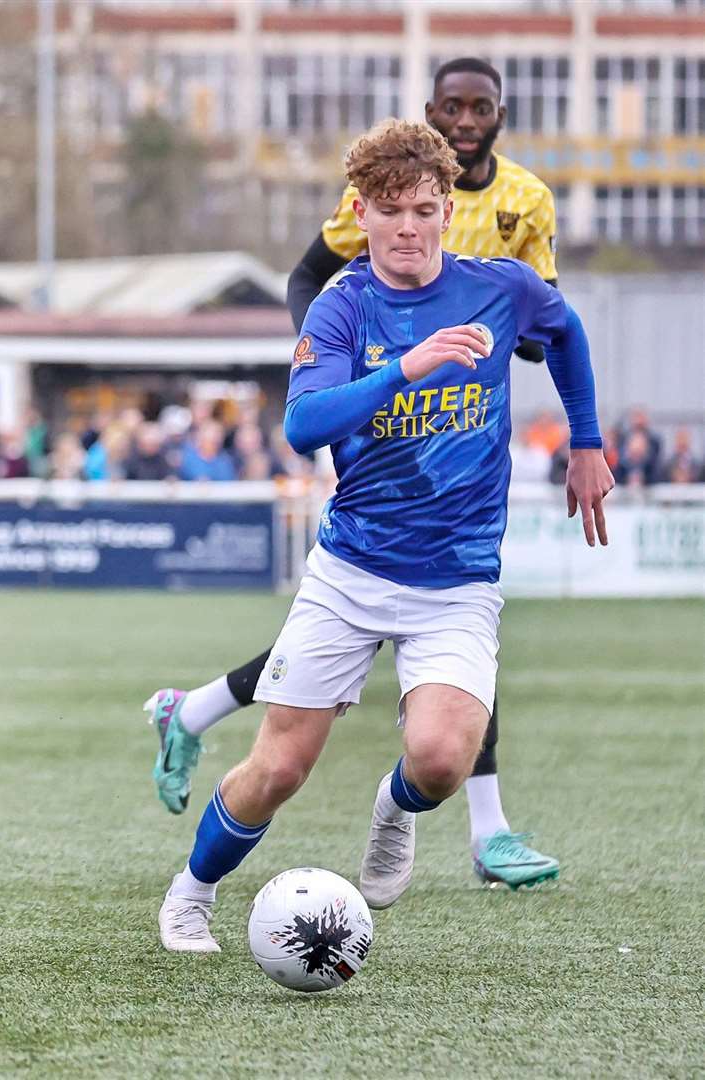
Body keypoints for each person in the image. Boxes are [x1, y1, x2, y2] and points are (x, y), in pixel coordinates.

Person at [156, 118, 611, 953]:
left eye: (427, 210)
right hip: (352, 570)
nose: (411, 228)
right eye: (392, 211)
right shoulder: (342, 307)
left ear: (446, 212)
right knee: (278, 770)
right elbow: (304, 424)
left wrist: (586, 440)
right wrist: (405, 366)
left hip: (459, 578)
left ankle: (394, 810)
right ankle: (191, 893)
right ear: (359, 215)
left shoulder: (499, 288)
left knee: (441, 759)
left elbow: (568, 332)